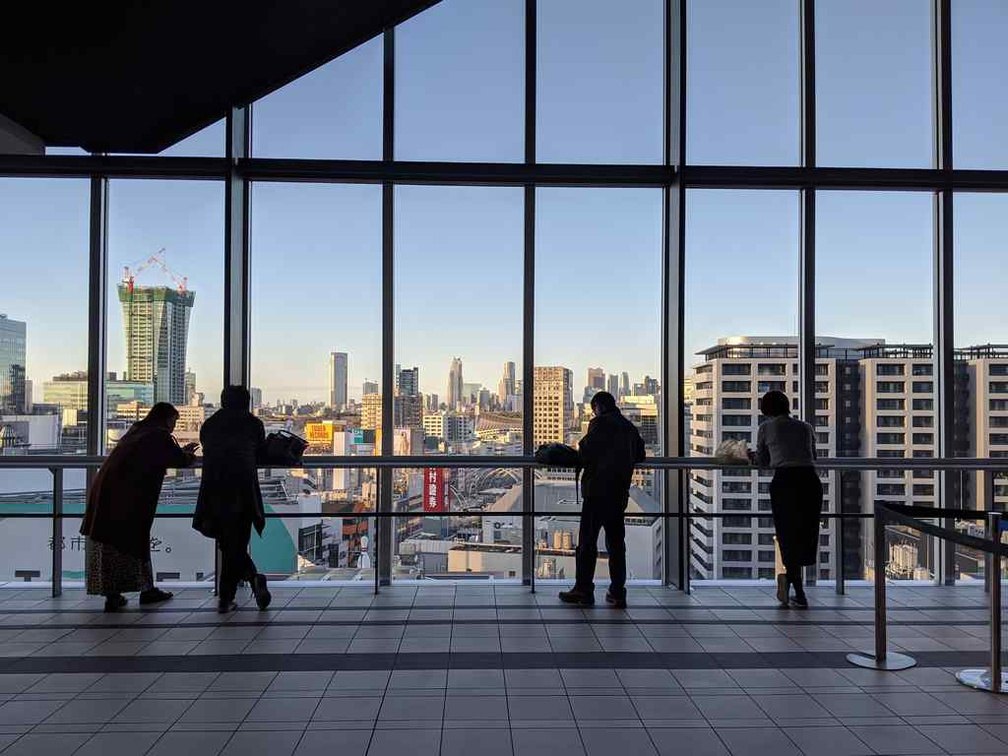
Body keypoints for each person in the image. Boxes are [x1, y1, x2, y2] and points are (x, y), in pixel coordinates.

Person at [81, 402, 198, 612]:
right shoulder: (158, 435)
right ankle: (146, 589)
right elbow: (177, 460)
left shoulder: (139, 431)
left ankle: (114, 594)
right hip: (130, 498)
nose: (173, 426)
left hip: (108, 493)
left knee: (111, 542)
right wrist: (188, 455)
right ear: (164, 419)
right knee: (134, 539)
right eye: (173, 421)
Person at [559, 391, 645, 609]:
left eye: (592, 409)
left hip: (596, 492)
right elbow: (640, 455)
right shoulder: (628, 427)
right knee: (616, 544)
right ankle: (617, 592)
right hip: (618, 494)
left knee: (587, 542)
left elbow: (585, 453)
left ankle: (584, 590)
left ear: (597, 406)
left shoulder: (598, 424)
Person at [193, 385, 271, 613]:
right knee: (235, 543)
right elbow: (261, 453)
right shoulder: (253, 424)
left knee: (229, 544)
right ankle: (233, 593)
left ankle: (238, 590)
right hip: (242, 490)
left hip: (214, 490)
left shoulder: (210, 424)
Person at [752, 390, 823, 608]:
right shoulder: (805, 427)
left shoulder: (766, 428)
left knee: (787, 534)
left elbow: (763, 462)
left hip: (785, 482)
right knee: (804, 534)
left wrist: (750, 456)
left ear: (766, 409)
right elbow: (814, 456)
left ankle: (796, 589)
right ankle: (797, 589)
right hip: (810, 481)